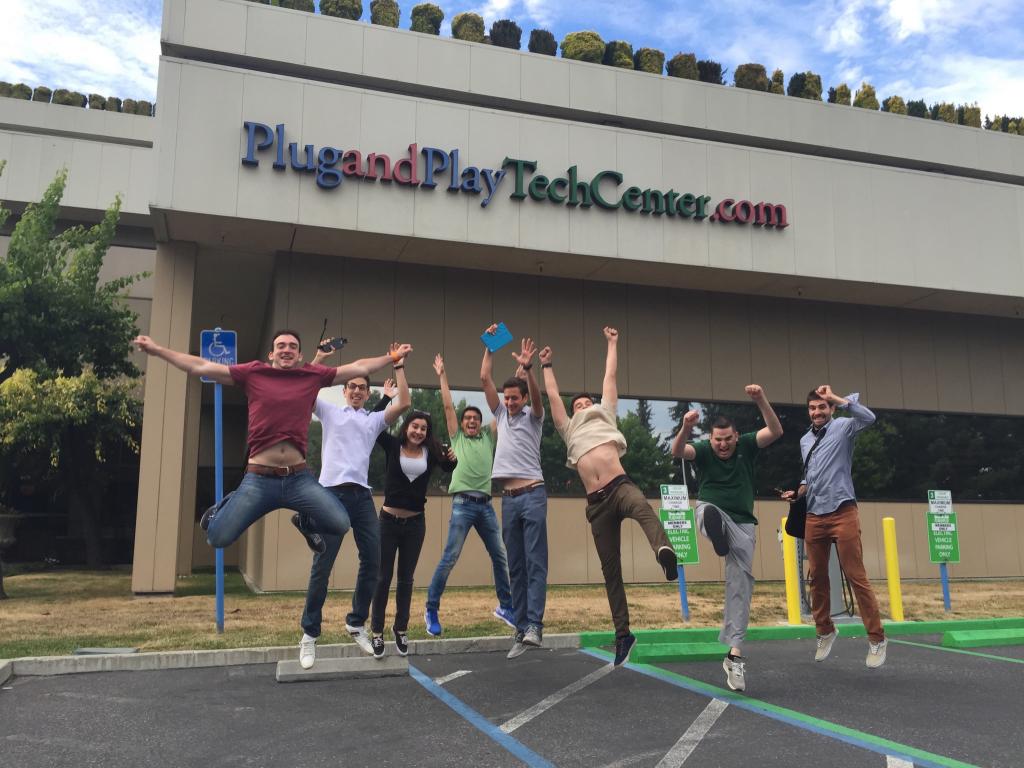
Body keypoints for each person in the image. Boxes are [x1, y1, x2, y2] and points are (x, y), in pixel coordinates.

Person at [132, 331, 411, 550]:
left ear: (300, 355)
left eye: (292, 346)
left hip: (298, 478)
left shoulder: (311, 376)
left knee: (339, 523)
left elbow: (358, 366)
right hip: (259, 479)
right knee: (217, 538)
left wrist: (392, 357)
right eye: (281, 346)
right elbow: (201, 366)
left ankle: (304, 522)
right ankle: (225, 505)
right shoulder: (254, 373)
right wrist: (158, 350)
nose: (286, 349)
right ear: (271, 353)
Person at [541, 327, 679, 667]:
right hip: (597, 505)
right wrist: (546, 366)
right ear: (572, 413)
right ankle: (623, 635)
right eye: (578, 405)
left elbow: (610, 377)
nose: (583, 406)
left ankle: (664, 552)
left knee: (642, 506)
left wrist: (612, 343)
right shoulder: (569, 428)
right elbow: (554, 398)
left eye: (587, 402)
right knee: (610, 569)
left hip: (620, 486)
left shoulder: (606, 414)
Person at [295, 347, 411, 667]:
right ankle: (309, 635)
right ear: (344, 391)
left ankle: (356, 623)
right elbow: (304, 387)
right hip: (330, 495)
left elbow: (404, 402)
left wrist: (398, 366)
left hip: (361, 498)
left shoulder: (373, 421)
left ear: (368, 393)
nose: (357, 391)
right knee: (323, 565)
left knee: (373, 560)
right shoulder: (331, 412)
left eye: (362, 387)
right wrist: (319, 359)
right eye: (352, 387)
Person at [671, 385, 784, 691]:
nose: (723, 445)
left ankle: (734, 655)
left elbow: (775, 431)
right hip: (714, 508)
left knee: (741, 585)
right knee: (706, 513)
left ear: (736, 437)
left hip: (744, 524)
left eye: (728, 439)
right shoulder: (703, 450)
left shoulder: (747, 445)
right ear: (711, 439)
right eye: (717, 440)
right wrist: (685, 427)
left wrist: (760, 399)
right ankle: (715, 530)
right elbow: (678, 451)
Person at [781, 385, 887, 669]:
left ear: (830, 409)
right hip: (814, 515)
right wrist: (797, 492)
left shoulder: (843, 427)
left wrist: (838, 400)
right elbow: (809, 476)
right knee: (817, 578)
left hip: (843, 510)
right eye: (812, 408)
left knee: (856, 576)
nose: (817, 412)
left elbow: (869, 418)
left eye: (822, 407)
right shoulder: (805, 440)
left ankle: (877, 638)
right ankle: (825, 630)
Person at [423, 354, 515, 637]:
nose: (472, 421)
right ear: (462, 425)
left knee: (500, 556)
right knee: (450, 557)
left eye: (476, 418)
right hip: (462, 504)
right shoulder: (458, 438)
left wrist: (521, 370)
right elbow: (448, 406)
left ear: (481, 423)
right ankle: (431, 608)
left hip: (486, 506)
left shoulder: (488, 436)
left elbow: (504, 407)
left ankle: (506, 607)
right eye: (468, 419)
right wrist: (442, 374)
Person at [481, 327, 548, 659]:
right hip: (508, 500)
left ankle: (535, 624)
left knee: (535, 561)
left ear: (522, 399)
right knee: (516, 567)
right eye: (506, 398)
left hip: (532, 493)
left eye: (514, 398)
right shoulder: (500, 415)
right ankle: (521, 629)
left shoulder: (534, 417)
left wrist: (529, 370)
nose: (509, 402)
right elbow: (484, 378)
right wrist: (490, 344)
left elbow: (537, 398)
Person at [369, 410, 457, 658]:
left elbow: (449, 466)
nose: (418, 432)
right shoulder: (392, 445)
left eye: (423, 428)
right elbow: (374, 423)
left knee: (406, 579)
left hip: (415, 524)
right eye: (414, 426)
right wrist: (387, 400)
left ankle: (401, 628)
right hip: (388, 522)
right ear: (406, 426)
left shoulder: (431, 451)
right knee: (382, 578)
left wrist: (452, 458)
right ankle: (377, 631)